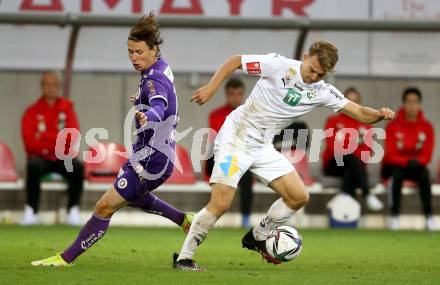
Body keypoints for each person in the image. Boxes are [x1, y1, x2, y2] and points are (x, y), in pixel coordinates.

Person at [172, 40, 394, 271]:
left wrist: (378, 114)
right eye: (312, 70)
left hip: (262, 147)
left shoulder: (322, 91)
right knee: (221, 203)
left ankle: (258, 236)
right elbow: (235, 61)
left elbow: (358, 111)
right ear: (306, 57)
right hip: (235, 140)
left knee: (298, 196)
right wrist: (210, 88)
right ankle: (184, 258)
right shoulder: (278, 65)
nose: (313, 77)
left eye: (320, 74)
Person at [31, 13, 193, 266]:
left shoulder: (154, 78)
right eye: (130, 52)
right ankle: (184, 220)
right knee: (133, 196)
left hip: (152, 161)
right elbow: (160, 99)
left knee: (104, 206)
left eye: (139, 52)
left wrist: (148, 114)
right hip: (148, 154)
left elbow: (159, 104)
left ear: (154, 49)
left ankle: (64, 259)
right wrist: (141, 102)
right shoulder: (160, 67)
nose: (133, 58)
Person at [21, 71, 84, 226]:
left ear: (59, 87)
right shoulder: (32, 111)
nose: (51, 88)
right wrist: (58, 137)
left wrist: (43, 136)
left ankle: (72, 210)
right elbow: (30, 143)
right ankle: (31, 211)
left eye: (54, 84)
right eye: (47, 84)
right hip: (40, 158)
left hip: (62, 157)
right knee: (33, 166)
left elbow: (73, 137)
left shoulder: (67, 109)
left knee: (77, 167)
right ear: (42, 87)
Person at [382, 87, 436, 231]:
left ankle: (429, 216)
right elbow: (390, 154)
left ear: (420, 104)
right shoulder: (393, 126)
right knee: (397, 174)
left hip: (417, 166)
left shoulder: (427, 127)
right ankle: (394, 217)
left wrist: (417, 162)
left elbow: (427, 155)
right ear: (404, 104)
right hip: (396, 166)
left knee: (425, 174)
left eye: (415, 102)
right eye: (409, 102)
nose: (412, 106)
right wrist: (407, 161)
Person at [322, 87, 383, 211]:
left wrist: (346, 143)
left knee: (349, 172)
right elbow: (334, 148)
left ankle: (349, 214)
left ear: (359, 104)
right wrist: (354, 145)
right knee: (349, 158)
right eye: (349, 101)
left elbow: (367, 152)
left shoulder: (367, 125)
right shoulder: (333, 121)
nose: (352, 105)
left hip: (355, 167)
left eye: (355, 102)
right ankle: (367, 194)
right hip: (334, 165)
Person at [206, 77, 254, 227]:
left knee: (245, 177)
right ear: (227, 95)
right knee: (227, 170)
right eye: (232, 94)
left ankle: (245, 218)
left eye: (239, 94)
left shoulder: (251, 115)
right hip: (222, 156)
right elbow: (215, 142)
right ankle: (213, 214)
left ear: (243, 94)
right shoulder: (216, 115)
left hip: (242, 157)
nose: (235, 98)